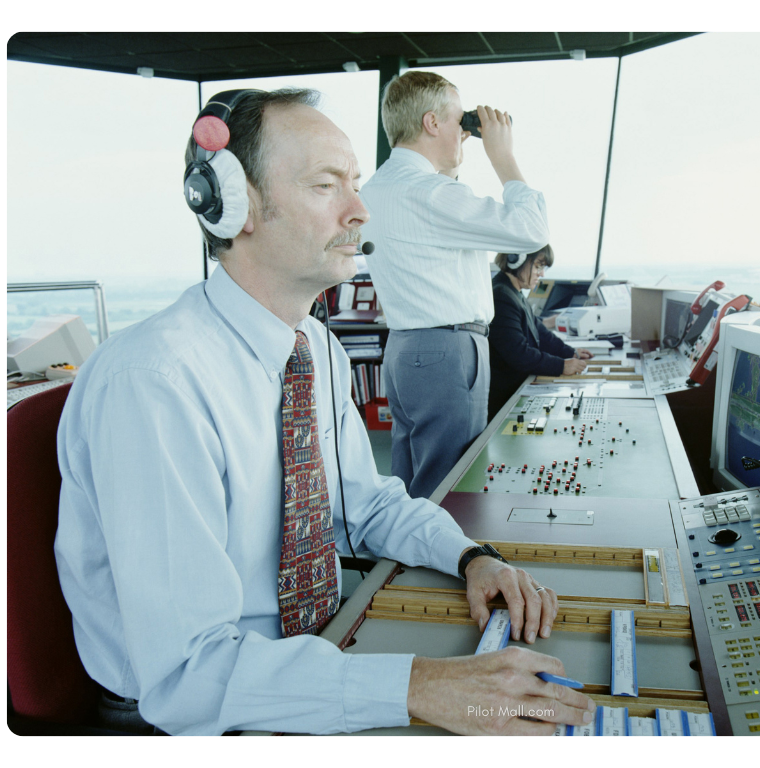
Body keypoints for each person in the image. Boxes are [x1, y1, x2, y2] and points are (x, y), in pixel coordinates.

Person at [54, 88, 593, 737]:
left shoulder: (316, 348)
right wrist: (421, 685)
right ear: (234, 204)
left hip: (311, 656)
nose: (360, 210)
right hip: (198, 709)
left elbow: (365, 507)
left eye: (356, 185)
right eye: (325, 185)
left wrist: (473, 557)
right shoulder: (155, 384)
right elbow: (187, 675)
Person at [360, 71, 549, 500]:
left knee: (414, 486)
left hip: (406, 350)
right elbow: (531, 230)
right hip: (448, 353)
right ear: (431, 123)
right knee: (451, 488)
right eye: (458, 123)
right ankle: (447, 567)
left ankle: (406, 565)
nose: (465, 135)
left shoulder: (378, 188)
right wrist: (503, 157)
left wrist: (454, 161)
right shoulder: (430, 193)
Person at [488, 246, 594, 420]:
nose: (542, 274)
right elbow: (519, 354)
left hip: (517, 387)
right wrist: (561, 366)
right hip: (504, 398)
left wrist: (569, 352)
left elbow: (540, 332)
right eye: (538, 266)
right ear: (516, 260)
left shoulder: (514, 293)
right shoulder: (501, 295)